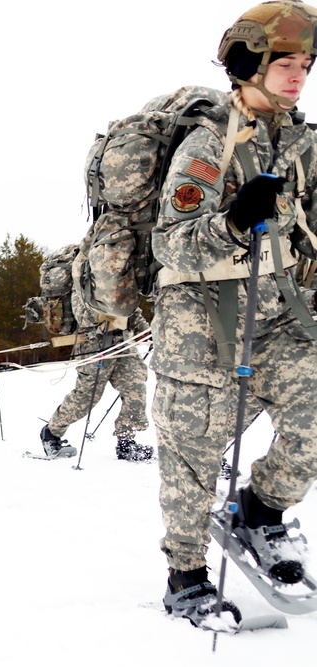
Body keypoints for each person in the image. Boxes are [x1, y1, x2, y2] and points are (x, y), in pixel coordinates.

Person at [150, 1, 317, 627]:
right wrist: (234, 221)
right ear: (250, 64)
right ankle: (187, 574)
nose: (298, 75)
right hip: (202, 328)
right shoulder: (207, 143)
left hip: (279, 318)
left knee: (314, 415)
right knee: (192, 456)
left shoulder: (302, 142)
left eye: (305, 64)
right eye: (284, 63)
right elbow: (170, 244)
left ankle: (262, 509)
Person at [38, 312, 152, 461]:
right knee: (87, 397)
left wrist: (149, 333)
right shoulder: (84, 288)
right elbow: (81, 314)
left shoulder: (125, 288)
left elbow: (133, 312)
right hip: (93, 345)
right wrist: (103, 320)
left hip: (123, 345)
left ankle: (126, 442)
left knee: (136, 389)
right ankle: (52, 432)